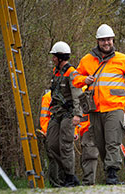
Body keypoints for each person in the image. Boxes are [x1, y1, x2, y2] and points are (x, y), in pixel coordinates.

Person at [72, 24, 125, 185]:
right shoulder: (87, 60)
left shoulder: (123, 59)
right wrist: (84, 79)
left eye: (109, 39)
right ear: (97, 41)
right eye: (103, 40)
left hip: (115, 108)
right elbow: (75, 79)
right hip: (94, 109)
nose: (106, 43)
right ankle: (109, 168)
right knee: (101, 144)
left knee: (112, 141)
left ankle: (112, 174)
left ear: (113, 40)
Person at [46, 41, 83, 187]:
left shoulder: (71, 73)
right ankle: (65, 175)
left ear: (61, 57)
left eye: (54, 56)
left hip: (68, 114)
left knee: (66, 145)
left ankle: (69, 177)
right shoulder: (56, 72)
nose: (53, 59)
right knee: (52, 144)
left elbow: (77, 95)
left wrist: (77, 115)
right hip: (56, 113)